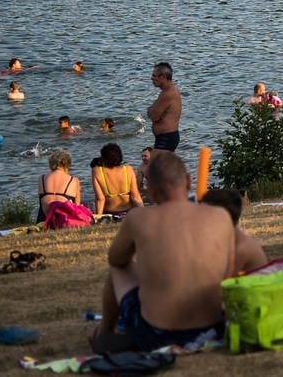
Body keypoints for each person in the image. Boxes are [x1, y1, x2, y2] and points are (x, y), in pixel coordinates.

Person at [91, 151, 234, 353]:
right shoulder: (220, 216)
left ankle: (105, 332)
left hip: (157, 334)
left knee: (118, 269)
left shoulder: (138, 218)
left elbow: (116, 258)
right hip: (212, 328)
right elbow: (228, 273)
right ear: (188, 182)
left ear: (150, 189)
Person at [200, 189, 268, 276]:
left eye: (205, 213)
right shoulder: (232, 238)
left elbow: (217, 279)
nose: (201, 217)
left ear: (221, 215)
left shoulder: (240, 248)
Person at [92, 143, 144, 217]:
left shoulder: (97, 171)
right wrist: (144, 213)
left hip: (109, 213)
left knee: (92, 205)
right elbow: (135, 196)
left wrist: (98, 218)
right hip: (128, 212)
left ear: (104, 158)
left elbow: (100, 199)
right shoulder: (128, 169)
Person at [37, 150, 83, 223]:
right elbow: (77, 205)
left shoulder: (41, 179)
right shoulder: (74, 180)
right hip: (65, 221)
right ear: (68, 164)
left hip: (44, 220)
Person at [147, 62, 181, 152]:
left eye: (154, 76)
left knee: (157, 165)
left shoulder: (168, 94)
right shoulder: (167, 91)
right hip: (167, 137)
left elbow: (154, 116)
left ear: (163, 77)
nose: (152, 78)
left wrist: (150, 109)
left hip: (166, 138)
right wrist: (152, 110)